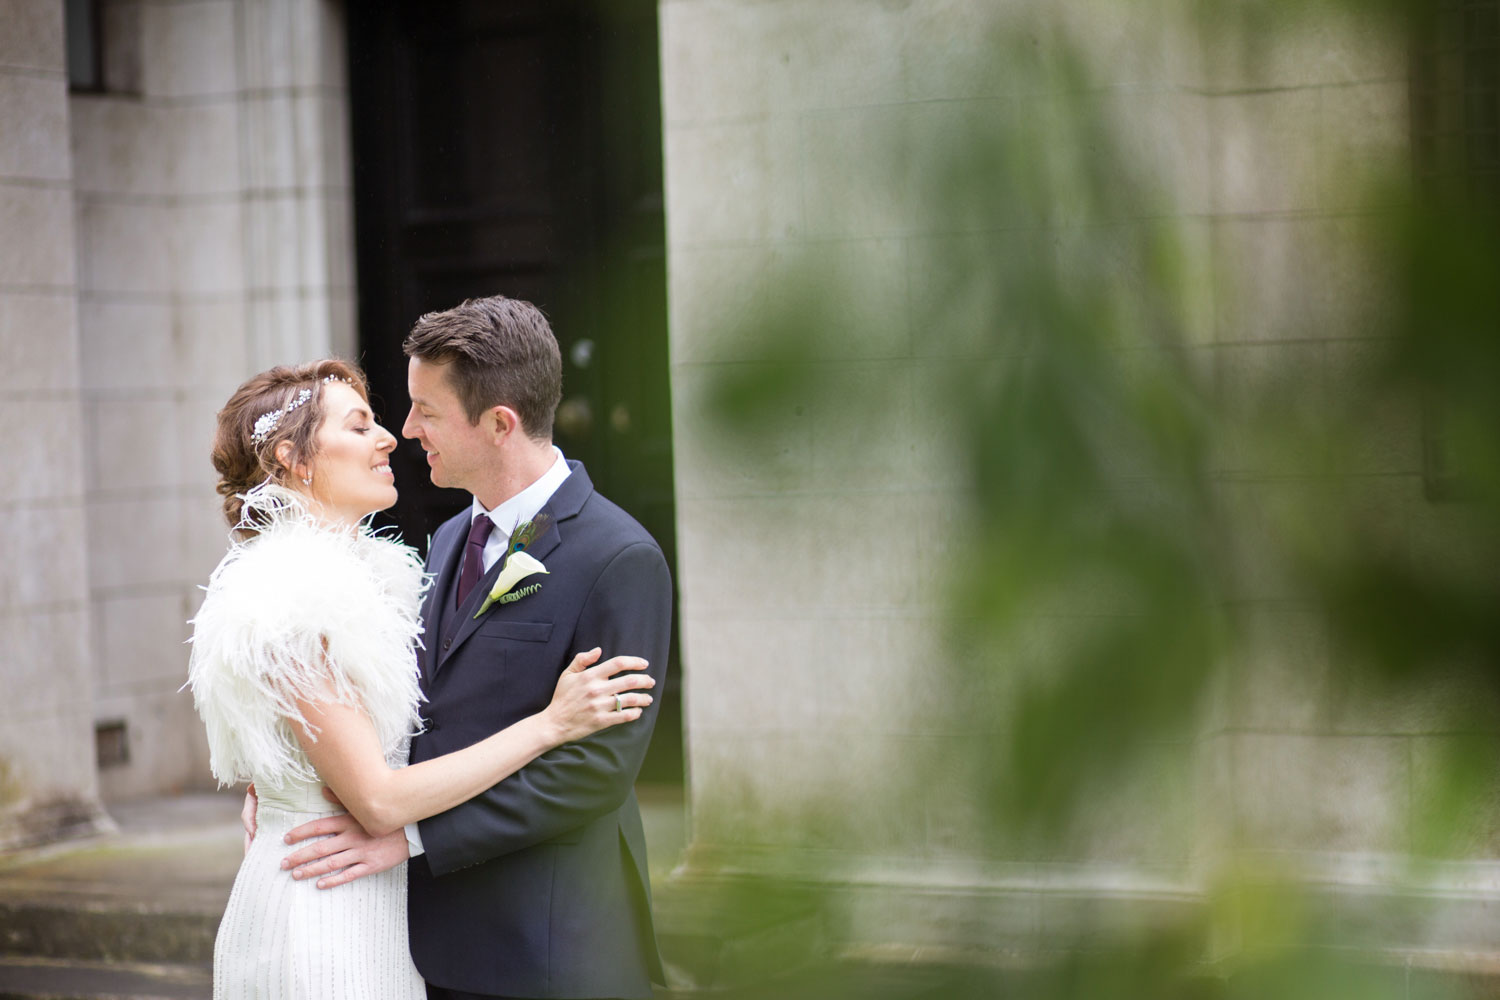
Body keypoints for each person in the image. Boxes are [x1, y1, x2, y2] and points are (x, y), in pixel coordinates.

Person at [187, 359, 656, 1000]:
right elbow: (375, 797)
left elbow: (405, 717)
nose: (394, 436)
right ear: (295, 458)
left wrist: (293, 764)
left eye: (413, 414)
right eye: (362, 425)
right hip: (325, 902)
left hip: (414, 912)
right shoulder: (288, 600)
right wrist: (549, 726)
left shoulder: (390, 577)